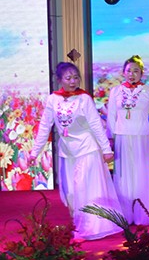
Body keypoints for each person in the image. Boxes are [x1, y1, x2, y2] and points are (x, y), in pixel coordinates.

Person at [30, 62, 123, 240]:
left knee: (84, 188)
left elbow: (96, 125)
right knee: (71, 191)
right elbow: (45, 126)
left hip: (87, 148)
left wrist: (106, 149)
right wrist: (35, 152)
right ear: (59, 80)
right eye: (68, 78)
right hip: (67, 151)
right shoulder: (53, 99)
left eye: (76, 77)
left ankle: (90, 227)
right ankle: (79, 222)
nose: (73, 81)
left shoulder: (84, 99)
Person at [106, 55, 149, 224]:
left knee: (141, 173)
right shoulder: (116, 91)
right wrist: (110, 137)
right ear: (123, 72)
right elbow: (111, 116)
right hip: (122, 137)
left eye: (136, 71)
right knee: (123, 175)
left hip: (142, 137)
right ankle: (125, 214)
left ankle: (144, 214)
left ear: (142, 73)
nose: (132, 74)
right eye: (129, 70)